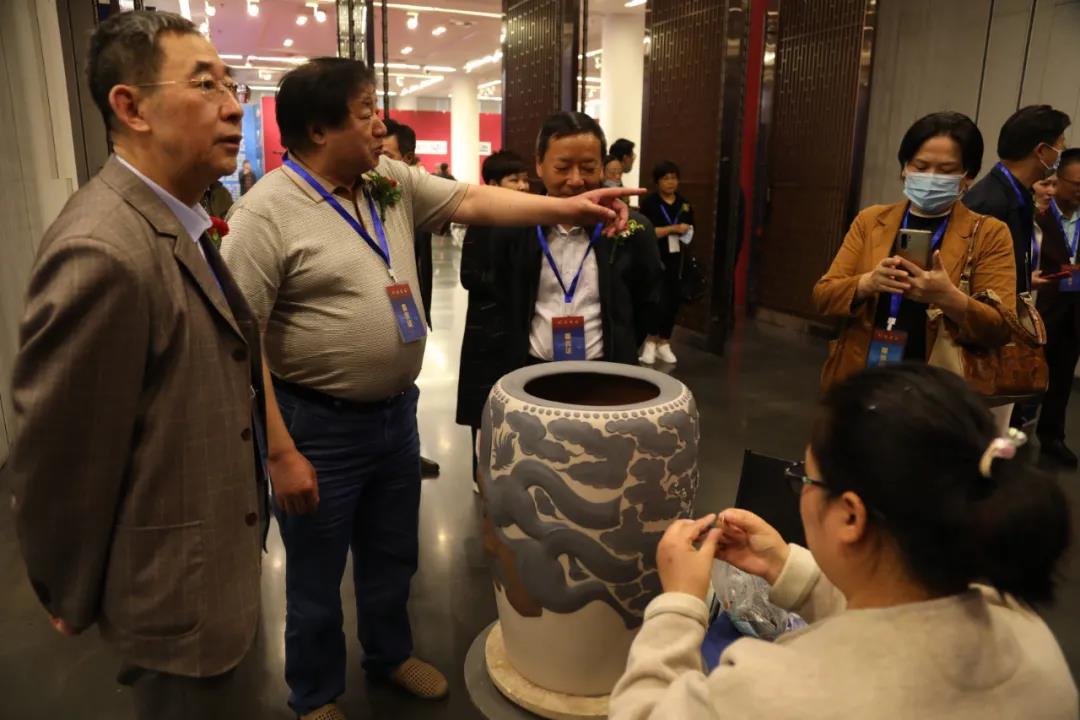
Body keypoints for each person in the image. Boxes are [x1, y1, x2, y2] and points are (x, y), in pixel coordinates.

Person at [220, 57, 637, 720]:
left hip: (395, 418)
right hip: (316, 426)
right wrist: (279, 451)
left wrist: (571, 207)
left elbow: (473, 200)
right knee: (316, 573)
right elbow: (239, 346)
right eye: (365, 112)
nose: (380, 124)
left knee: (393, 554)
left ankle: (389, 655)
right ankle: (315, 694)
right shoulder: (263, 216)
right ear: (319, 130)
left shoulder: (384, 180)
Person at [6, 11, 267, 720]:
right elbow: (61, 455)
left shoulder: (176, 218)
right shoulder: (103, 250)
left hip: (213, 569)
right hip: (175, 601)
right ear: (131, 107)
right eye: (205, 83)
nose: (233, 105)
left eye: (232, 84)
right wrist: (68, 588)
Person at [609, 363, 1076, 718]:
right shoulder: (1026, 632)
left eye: (805, 479)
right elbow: (898, 628)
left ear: (850, 515)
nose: (801, 490)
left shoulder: (772, 690)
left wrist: (679, 606)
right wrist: (784, 567)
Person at [813, 111, 1015, 400]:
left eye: (946, 170)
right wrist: (868, 283)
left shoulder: (989, 233)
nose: (930, 177)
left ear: (968, 176)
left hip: (939, 389)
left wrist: (948, 297)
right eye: (920, 166)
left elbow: (1001, 328)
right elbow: (823, 296)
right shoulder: (871, 221)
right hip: (864, 378)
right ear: (904, 168)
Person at [492, 112, 663, 370]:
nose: (575, 180)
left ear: (602, 167)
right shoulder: (516, 225)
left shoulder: (631, 228)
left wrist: (622, 344)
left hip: (607, 370)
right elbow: (500, 298)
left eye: (588, 168)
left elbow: (647, 301)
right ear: (539, 165)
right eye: (562, 168)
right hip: (529, 370)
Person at [456, 150, 532, 487]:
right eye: (514, 180)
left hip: (518, 326)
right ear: (493, 183)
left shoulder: (530, 220)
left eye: (525, 179)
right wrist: (508, 288)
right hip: (488, 328)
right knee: (483, 403)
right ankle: (480, 472)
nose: (523, 186)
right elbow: (470, 276)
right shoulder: (482, 220)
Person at [384, 117, 441, 478]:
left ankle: (409, 450)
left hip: (407, 306)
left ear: (407, 160)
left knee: (410, 381)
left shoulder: (410, 199)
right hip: (377, 313)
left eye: (387, 155)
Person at [964, 105, 1071, 293]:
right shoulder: (989, 204)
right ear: (1041, 151)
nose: (1061, 156)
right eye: (1060, 147)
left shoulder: (1019, 196)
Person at [1034, 150, 1080, 467]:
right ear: (1059, 180)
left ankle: (1052, 437)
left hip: (1074, 313)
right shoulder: (1037, 216)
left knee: (1062, 379)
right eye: (1077, 184)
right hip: (1040, 309)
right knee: (1024, 375)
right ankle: (1009, 433)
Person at [639, 160, 695, 365]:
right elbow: (647, 232)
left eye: (674, 178)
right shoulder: (650, 203)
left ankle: (664, 342)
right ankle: (650, 341)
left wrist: (685, 231)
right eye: (666, 178)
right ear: (657, 182)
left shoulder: (684, 204)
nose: (671, 182)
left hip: (677, 260)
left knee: (673, 300)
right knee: (656, 300)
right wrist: (672, 229)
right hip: (655, 257)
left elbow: (690, 230)